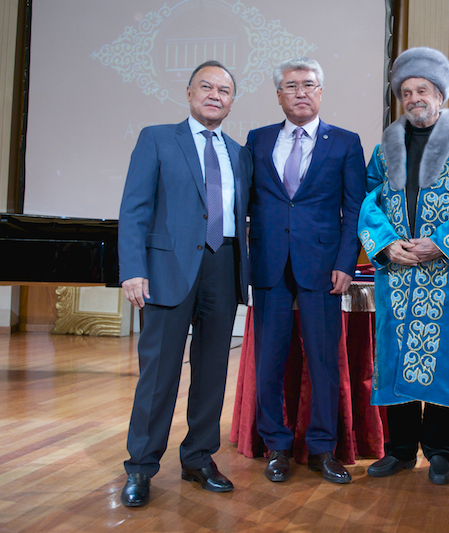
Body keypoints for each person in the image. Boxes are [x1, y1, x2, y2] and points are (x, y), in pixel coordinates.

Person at [358, 47, 449, 486]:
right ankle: (399, 450)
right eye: (406, 92)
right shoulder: (386, 148)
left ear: (440, 93)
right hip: (398, 271)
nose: (414, 98)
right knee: (396, 354)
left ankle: (441, 452)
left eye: (422, 90)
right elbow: (368, 201)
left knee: (446, 354)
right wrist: (385, 243)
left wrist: (439, 244)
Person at [118, 60, 250, 507]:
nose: (215, 95)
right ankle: (141, 467)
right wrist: (132, 269)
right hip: (166, 270)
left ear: (231, 102)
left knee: (211, 372)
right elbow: (135, 208)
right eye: (206, 87)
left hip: (223, 267)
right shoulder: (156, 138)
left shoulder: (239, 153)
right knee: (158, 373)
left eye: (224, 91)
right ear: (189, 93)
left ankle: (198, 458)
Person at [245, 57, 366, 485]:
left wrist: (345, 262)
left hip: (323, 267)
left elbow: (354, 208)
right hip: (269, 264)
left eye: (308, 85)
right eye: (291, 86)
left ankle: (322, 448)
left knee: (323, 361)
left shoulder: (346, 142)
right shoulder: (258, 140)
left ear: (321, 91)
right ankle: (276, 445)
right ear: (279, 95)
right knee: (270, 361)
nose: (301, 92)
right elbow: (247, 202)